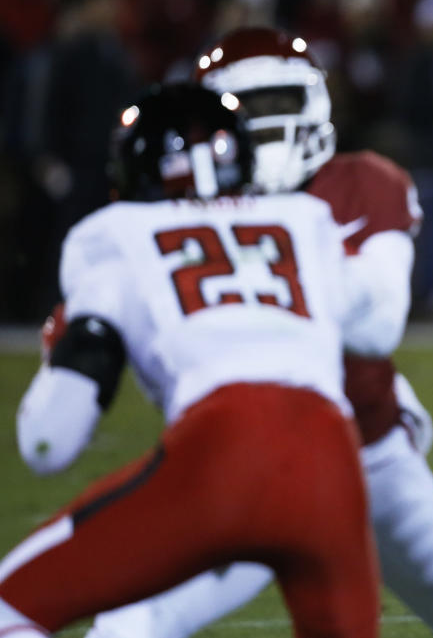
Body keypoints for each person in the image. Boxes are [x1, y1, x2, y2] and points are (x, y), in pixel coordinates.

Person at [85, 27, 433, 638]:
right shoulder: (171, 208)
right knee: (128, 628)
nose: (265, 125)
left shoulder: (361, 183)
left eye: (279, 103)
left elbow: (376, 325)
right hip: (234, 461)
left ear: (315, 103)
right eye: (244, 108)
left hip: (369, 454)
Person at [0, 83, 379, 638]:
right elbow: (367, 323)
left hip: (218, 455)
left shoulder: (110, 235)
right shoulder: (306, 218)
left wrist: (67, 348)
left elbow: (48, 443)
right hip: (333, 467)